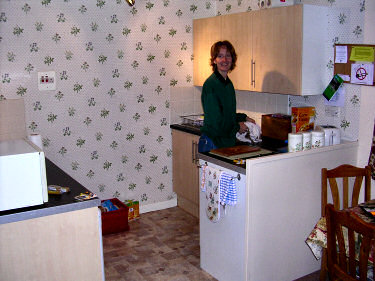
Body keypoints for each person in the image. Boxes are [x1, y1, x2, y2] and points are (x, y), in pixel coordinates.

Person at [198, 40, 255, 153]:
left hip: (225, 142)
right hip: (212, 142)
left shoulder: (228, 84)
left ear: (232, 59)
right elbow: (216, 122)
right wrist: (237, 127)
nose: (224, 60)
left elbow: (226, 113)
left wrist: (244, 117)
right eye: (220, 56)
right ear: (214, 60)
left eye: (228, 56)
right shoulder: (211, 85)